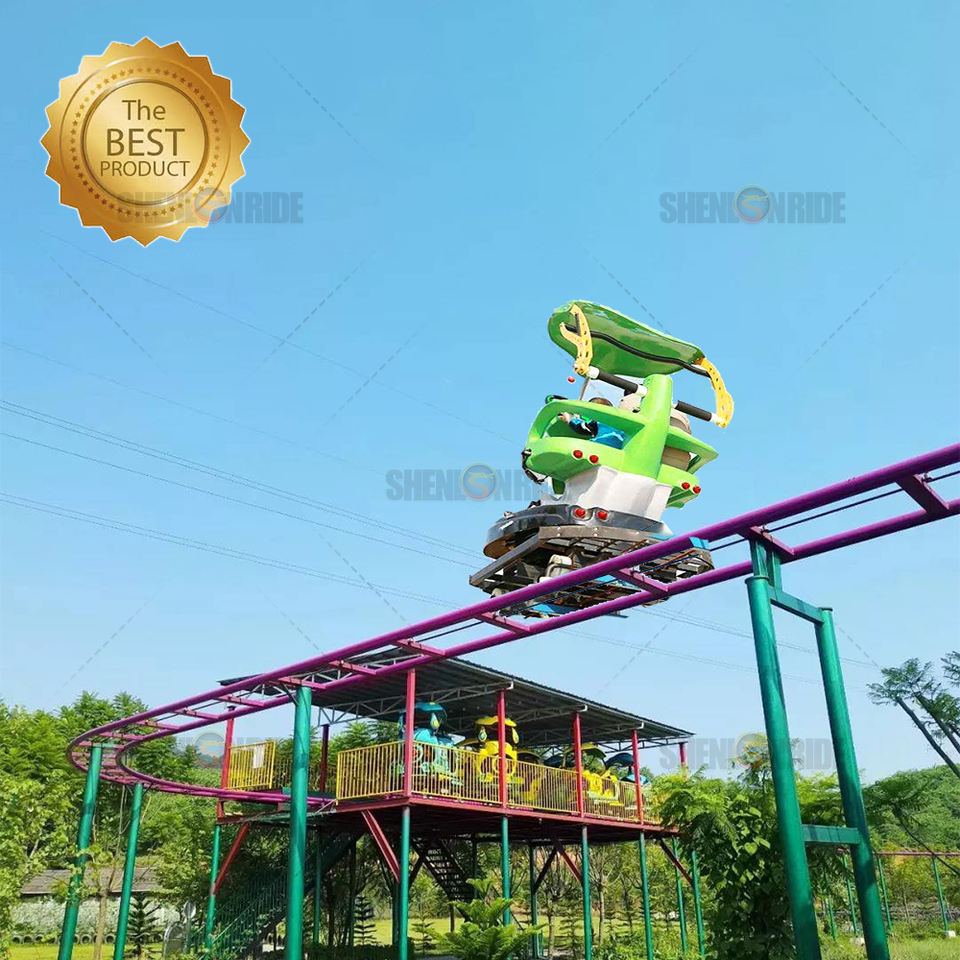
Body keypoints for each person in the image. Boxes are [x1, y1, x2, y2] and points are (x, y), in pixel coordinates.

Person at [558, 396, 626, 449]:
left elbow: (579, 427)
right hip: (619, 448)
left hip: (600, 446)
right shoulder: (620, 422)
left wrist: (569, 418)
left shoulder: (598, 421)